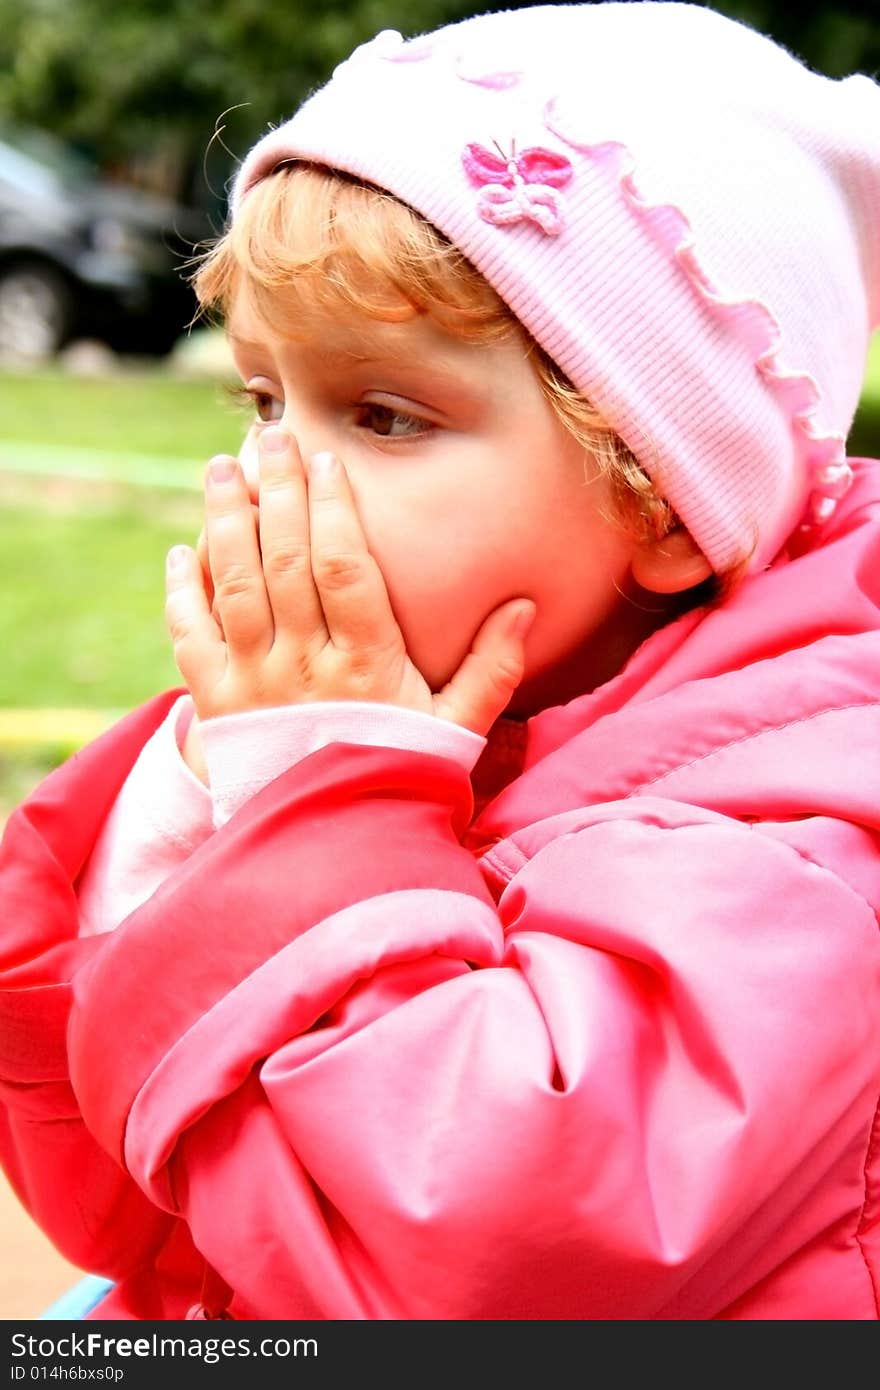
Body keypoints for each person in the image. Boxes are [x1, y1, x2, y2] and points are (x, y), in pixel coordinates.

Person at [1, 1, 879, 1321]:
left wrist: (323, 808)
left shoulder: (800, 844)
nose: (273, 472)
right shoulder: (396, 715)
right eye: (260, 399)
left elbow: (489, 1249)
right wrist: (189, 804)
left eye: (386, 414)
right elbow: (126, 1196)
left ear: (661, 501)